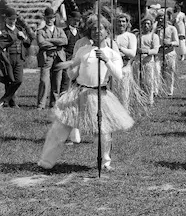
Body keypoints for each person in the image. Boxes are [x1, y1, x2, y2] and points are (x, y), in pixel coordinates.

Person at [37, 14, 133, 172]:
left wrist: (106, 60)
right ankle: (46, 162)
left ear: (107, 31)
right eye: (93, 29)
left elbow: (118, 75)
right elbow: (73, 74)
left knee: (103, 132)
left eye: (100, 28)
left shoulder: (112, 53)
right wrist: (71, 69)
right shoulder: (83, 50)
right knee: (59, 128)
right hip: (78, 94)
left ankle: (105, 162)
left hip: (100, 96)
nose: (97, 31)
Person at [0, 7, 33, 108]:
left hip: (19, 57)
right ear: (6, 19)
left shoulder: (20, 29)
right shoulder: (1, 30)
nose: (12, 21)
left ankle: (4, 99)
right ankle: (11, 102)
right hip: (7, 58)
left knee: (18, 80)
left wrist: (25, 38)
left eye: (14, 19)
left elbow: (28, 44)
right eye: (10, 19)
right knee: (8, 80)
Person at [36, 7, 68, 109]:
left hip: (59, 57)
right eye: (48, 18)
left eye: (52, 18)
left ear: (54, 18)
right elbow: (41, 43)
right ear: (44, 18)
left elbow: (65, 41)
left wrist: (49, 40)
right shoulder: (40, 31)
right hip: (47, 57)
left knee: (57, 81)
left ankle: (54, 103)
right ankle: (41, 105)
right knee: (44, 81)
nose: (50, 20)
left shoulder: (60, 30)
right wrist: (57, 43)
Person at [137, 15, 161, 105]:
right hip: (138, 61)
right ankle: (140, 99)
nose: (146, 25)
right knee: (139, 81)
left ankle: (150, 100)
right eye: (144, 23)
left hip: (148, 61)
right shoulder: (138, 36)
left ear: (151, 25)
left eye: (148, 23)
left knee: (149, 81)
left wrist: (145, 51)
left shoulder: (154, 36)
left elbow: (155, 50)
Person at [157, 10, 179, 97]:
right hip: (159, 53)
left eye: (162, 18)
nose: (161, 20)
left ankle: (169, 90)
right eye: (159, 19)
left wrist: (170, 43)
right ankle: (159, 89)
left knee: (169, 72)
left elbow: (176, 42)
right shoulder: (157, 30)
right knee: (158, 72)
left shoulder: (172, 28)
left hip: (169, 53)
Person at [60, 11, 82, 93]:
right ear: (70, 19)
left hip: (78, 58)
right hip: (67, 57)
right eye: (75, 20)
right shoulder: (65, 31)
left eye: (78, 21)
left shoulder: (80, 33)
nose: (76, 22)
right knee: (66, 79)